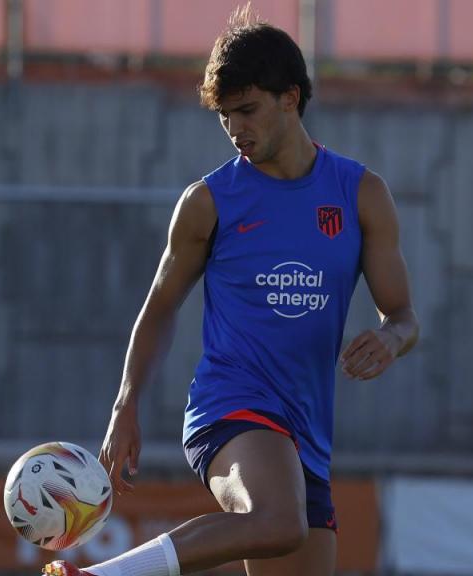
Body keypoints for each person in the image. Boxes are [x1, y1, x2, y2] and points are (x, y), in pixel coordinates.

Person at [42, 6, 418, 576]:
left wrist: (391, 339)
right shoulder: (209, 202)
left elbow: (405, 316)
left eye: (247, 110)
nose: (235, 129)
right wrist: (127, 402)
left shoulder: (360, 194)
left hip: (307, 429)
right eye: (224, 116)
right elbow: (160, 307)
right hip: (231, 404)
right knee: (278, 519)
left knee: (286, 525)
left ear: (290, 97)